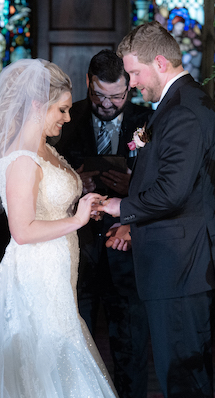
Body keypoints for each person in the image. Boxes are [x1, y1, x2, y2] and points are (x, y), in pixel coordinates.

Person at [0, 59, 117, 398]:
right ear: (36, 105)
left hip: (58, 266)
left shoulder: (47, 151)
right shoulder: (22, 159)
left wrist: (86, 207)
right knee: (44, 360)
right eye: (62, 109)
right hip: (35, 272)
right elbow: (22, 231)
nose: (67, 117)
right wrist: (76, 220)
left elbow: (50, 206)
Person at [98, 22, 215, 398]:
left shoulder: (183, 111)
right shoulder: (180, 104)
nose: (131, 83)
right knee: (182, 375)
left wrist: (119, 206)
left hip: (182, 267)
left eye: (134, 73)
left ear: (159, 62)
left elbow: (172, 192)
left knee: (183, 380)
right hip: (181, 265)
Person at [51, 49, 151, 398]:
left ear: (129, 88)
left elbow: (166, 187)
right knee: (77, 350)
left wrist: (132, 189)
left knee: (133, 353)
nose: (108, 104)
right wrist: (74, 182)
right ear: (88, 84)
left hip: (130, 252)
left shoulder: (149, 121)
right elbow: (45, 179)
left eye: (117, 96)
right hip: (79, 252)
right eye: (99, 95)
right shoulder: (65, 118)